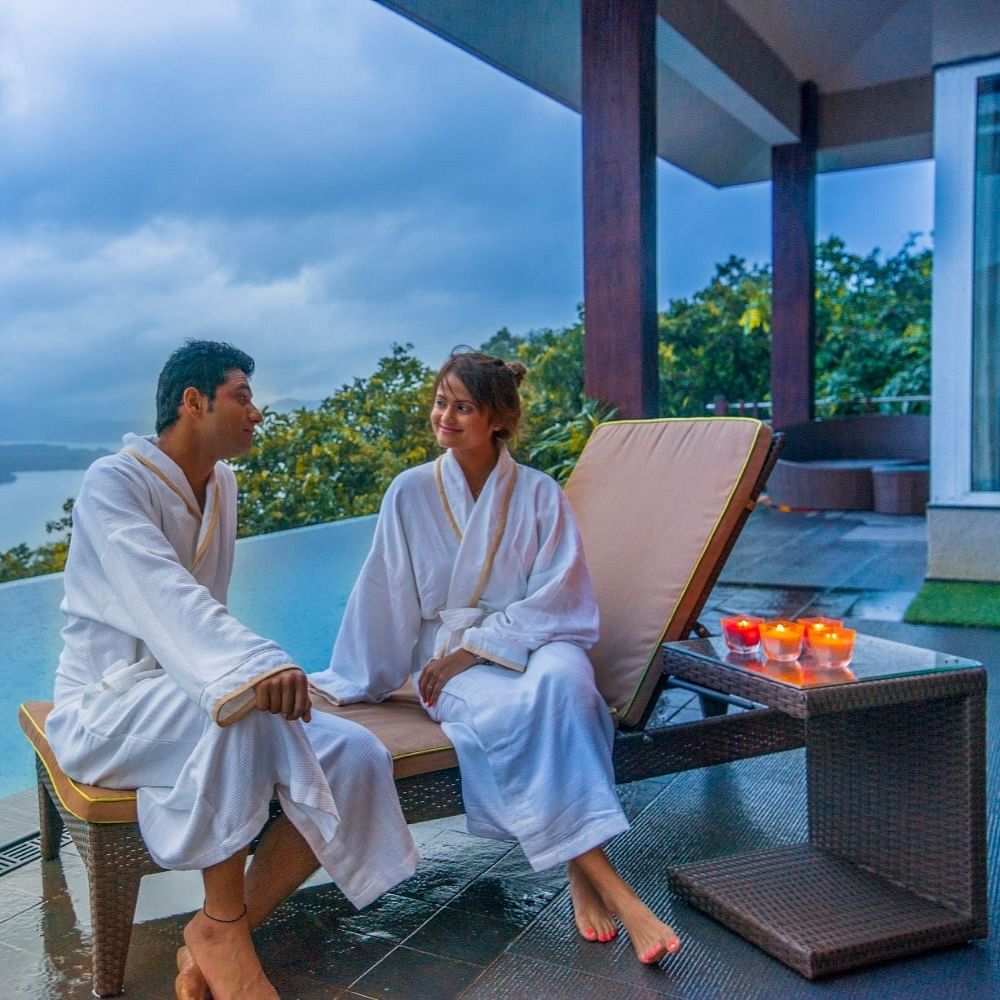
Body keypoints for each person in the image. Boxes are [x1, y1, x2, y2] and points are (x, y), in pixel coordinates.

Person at [45, 340, 419, 1000]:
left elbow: (200, 620)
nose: (257, 412)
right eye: (243, 396)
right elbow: (164, 594)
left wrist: (240, 675)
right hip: (106, 710)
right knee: (241, 705)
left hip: (189, 695)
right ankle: (223, 930)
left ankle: (221, 930)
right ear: (194, 402)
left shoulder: (222, 483)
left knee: (356, 754)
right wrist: (254, 667)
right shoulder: (115, 483)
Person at [309, 349, 681, 964]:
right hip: (449, 659)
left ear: (497, 420)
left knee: (573, 692)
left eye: (462, 406)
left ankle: (580, 875)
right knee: (516, 716)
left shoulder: (538, 494)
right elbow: (386, 591)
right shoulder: (410, 492)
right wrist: (368, 677)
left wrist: (478, 648)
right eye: (440, 402)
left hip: (535, 641)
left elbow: (562, 596)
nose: (444, 416)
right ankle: (613, 889)